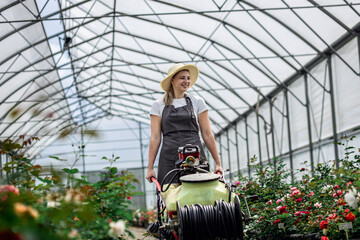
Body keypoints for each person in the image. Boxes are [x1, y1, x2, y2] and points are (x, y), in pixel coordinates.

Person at [146, 63, 223, 184]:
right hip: (169, 157)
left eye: (188, 78)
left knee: (199, 192)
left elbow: (207, 134)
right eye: (182, 78)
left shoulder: (197, 102)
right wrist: (150, 168)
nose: (186, 81)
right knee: (169, 193)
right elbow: (155, 137)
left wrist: (218, 163)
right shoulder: (158, 104)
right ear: (172, 80)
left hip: (195, 157)